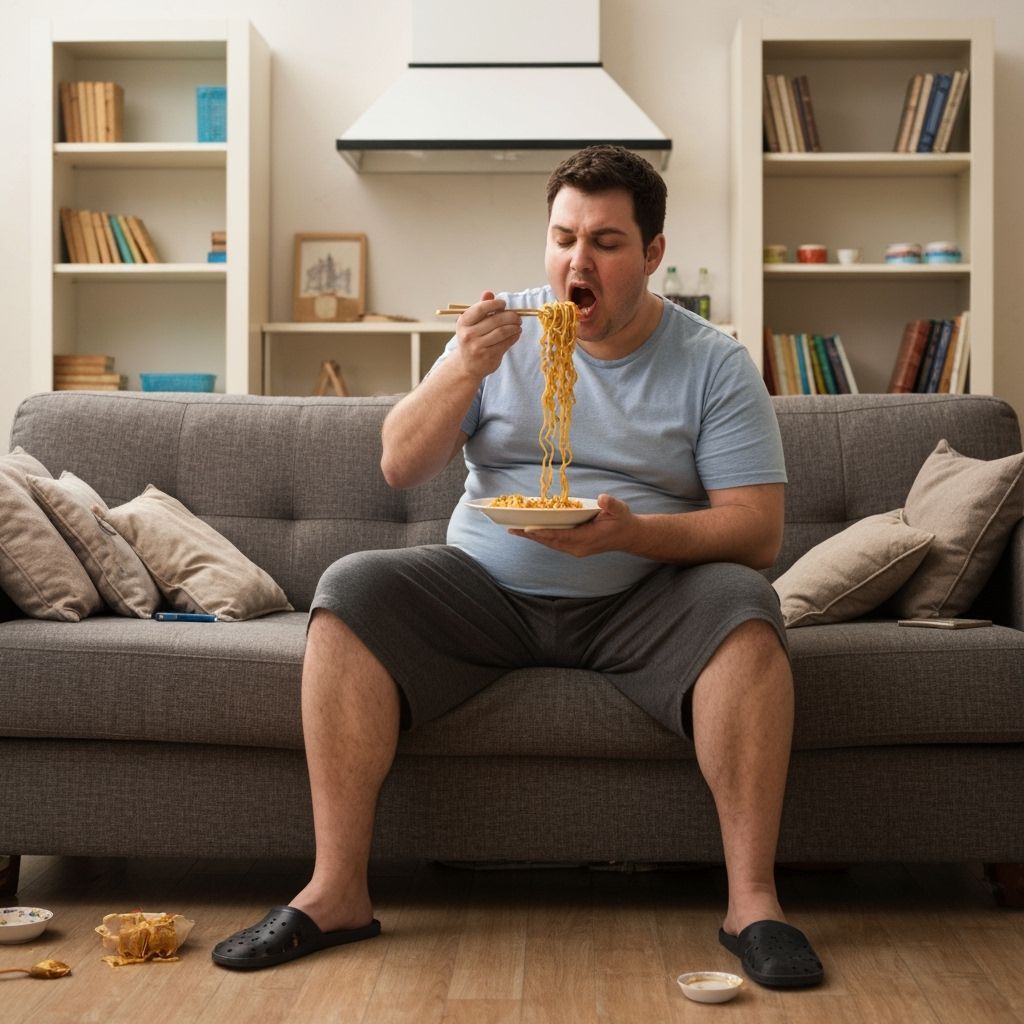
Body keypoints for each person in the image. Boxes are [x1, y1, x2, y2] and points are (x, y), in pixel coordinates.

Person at [213, 145, 824, 989]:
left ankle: (753, 902)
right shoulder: (504, 332)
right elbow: (398, 464)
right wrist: (463, 366)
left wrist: (632, 535)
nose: (579, 261)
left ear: (652, 254)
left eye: (607, 242)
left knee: (747, 605)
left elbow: (757, 532)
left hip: (644, 598)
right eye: (564, 236)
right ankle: (337, 891)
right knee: (351, 588)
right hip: (486, 594)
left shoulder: (712, 361)